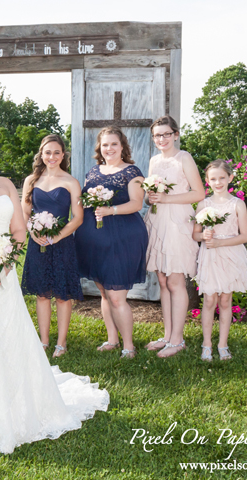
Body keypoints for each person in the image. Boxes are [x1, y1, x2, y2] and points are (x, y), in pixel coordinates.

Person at [0, 125, 109, 459]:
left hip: (3, 271)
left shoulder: (5, 184)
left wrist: (6, 259)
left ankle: (16, 403)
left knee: (7, 333)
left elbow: (16, 229)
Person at [74, 126, 148, 359]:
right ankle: (112, 339)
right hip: (95, 239)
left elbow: (137, 204)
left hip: (123, 237)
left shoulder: (132, 172)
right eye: (105, 145)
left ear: (122, 146)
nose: (109, 149)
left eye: (114, 144)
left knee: (117, 295)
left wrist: (110, 210)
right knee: (105, 293)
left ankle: (129, 346)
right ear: (100, 148)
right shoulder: (93, 172)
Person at [144, 115, 205, 358]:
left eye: (166, 134)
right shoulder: (154, 160)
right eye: (157, 135)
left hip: (178, 222)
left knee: (176, 281)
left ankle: (178, 340)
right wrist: (152, 197)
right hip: (158, 221)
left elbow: (199, 193)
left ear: (176, 135)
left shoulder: (184, 158)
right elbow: (150, 195)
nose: (162, 139)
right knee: (163, 280)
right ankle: (168, 335)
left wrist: (166, 198)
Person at [20, 134, 83, 358]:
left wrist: (57, 237)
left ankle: (61, 343)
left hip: (62, 244)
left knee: (63, 295)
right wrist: (33, 231)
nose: (52, 157)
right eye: (48, 152)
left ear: (63, 155)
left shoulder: (70, 182)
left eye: (57, 152)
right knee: (42, 294)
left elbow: (77, 217)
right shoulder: (31, 180)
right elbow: (24, 213)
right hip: (38, 243)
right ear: (41, 154)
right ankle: (44, 341)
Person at [192, 160, 247, 361]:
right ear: (207, 181)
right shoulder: (204, 204)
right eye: (213, 179)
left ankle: (223, 344)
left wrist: (220, 243)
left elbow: (245, 236)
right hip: (210, 256)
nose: (218, 182)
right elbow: (195, 235)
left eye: (222, 178)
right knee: (209, 299)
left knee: (225, 300)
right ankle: (206, 343)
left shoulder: (237, 204)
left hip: (230, 254)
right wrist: (205, 237)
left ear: (230, 178)